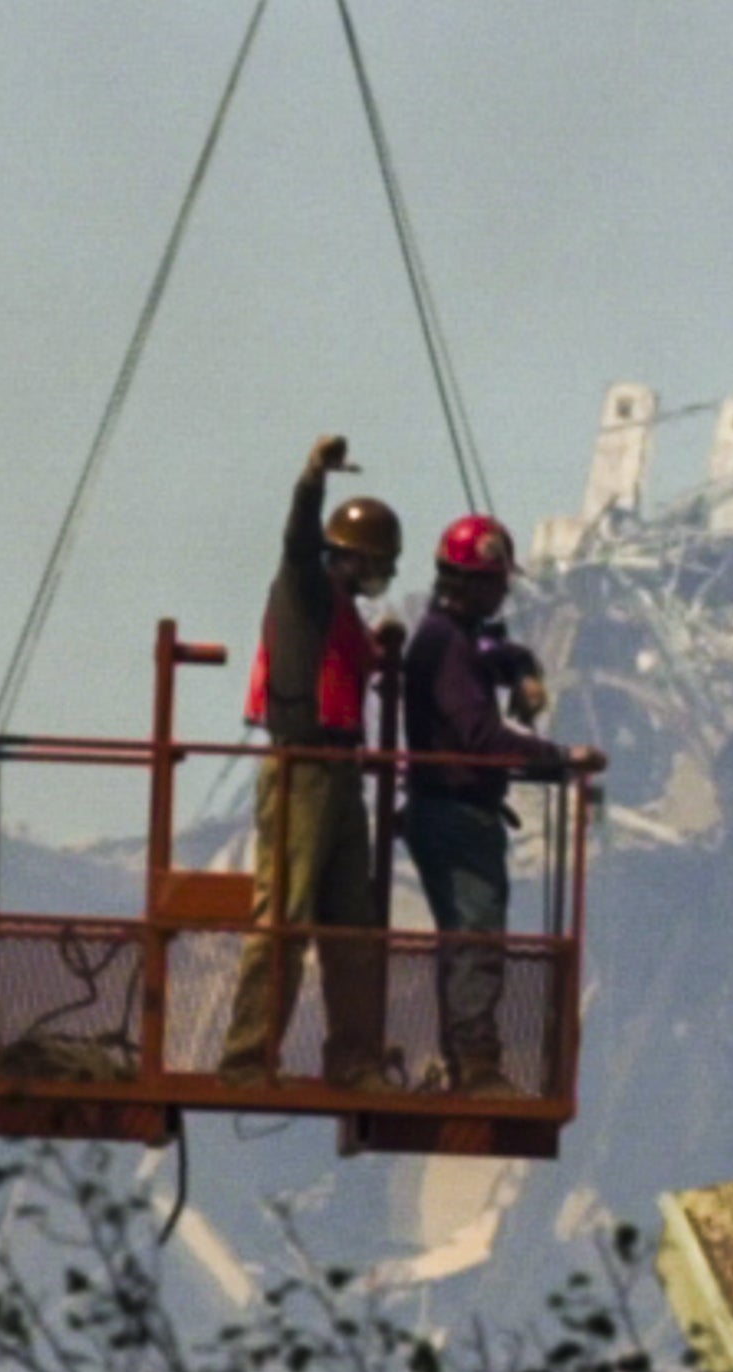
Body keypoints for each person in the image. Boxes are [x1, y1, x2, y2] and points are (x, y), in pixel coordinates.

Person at [218, 440, 404, 1079]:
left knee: (352, 924)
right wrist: (312, 479)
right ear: (351, 558)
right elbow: (297, 542)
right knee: (285, 920)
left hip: (339, 774)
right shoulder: (304, 587)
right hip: (301, 772)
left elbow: (353, 666)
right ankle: (247, 1057)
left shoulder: (340, 611)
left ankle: (356, 1060)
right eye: (377, 566)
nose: (379, 580)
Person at [396, 514, 599, 1092]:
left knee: (471, 939)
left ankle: (468, 1059)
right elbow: (480, 737)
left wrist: (523, 667)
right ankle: (476, 1068)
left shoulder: (452, 635)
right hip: (456, 815)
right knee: (475, 940)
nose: (505, 589)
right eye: (499, 580)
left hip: (451, 812)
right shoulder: (445, 644)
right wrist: (560, 757)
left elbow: (492, 648)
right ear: (476, 581)